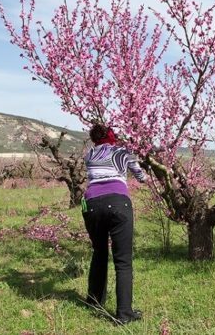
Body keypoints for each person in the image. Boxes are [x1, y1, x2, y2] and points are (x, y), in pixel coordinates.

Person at [82, 123, 146, 324]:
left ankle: (94, 301)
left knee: (99, 253)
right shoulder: (122, 152)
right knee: (123, 261)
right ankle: (124, 313)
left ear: (94, 138)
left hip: (92, 204)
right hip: (118, 202)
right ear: (112, 136)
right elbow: (141, 176)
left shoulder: (89, 155)